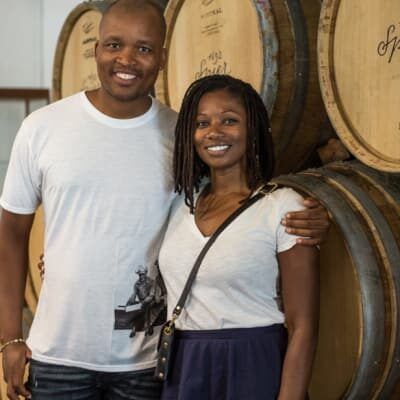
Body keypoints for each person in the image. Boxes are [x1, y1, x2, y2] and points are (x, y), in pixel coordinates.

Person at [0, 1, 327, 399]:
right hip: (57, 357)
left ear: (162, 57)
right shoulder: (42, 128)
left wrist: (314, 214)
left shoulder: (182, 136)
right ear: (96, 49)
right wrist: (9, 338)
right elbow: (11, 235)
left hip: (149, 362)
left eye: (143, 48)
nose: (126, 59)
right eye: (114, 45)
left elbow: (240, 207)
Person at [158, 74, 319, 400]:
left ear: (253, 129)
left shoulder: (282, 206)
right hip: (185, 363)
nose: (214, 132)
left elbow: (303, 326)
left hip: (254, 360)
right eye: (202, 123)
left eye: (229, 120)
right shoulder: (179, 204)